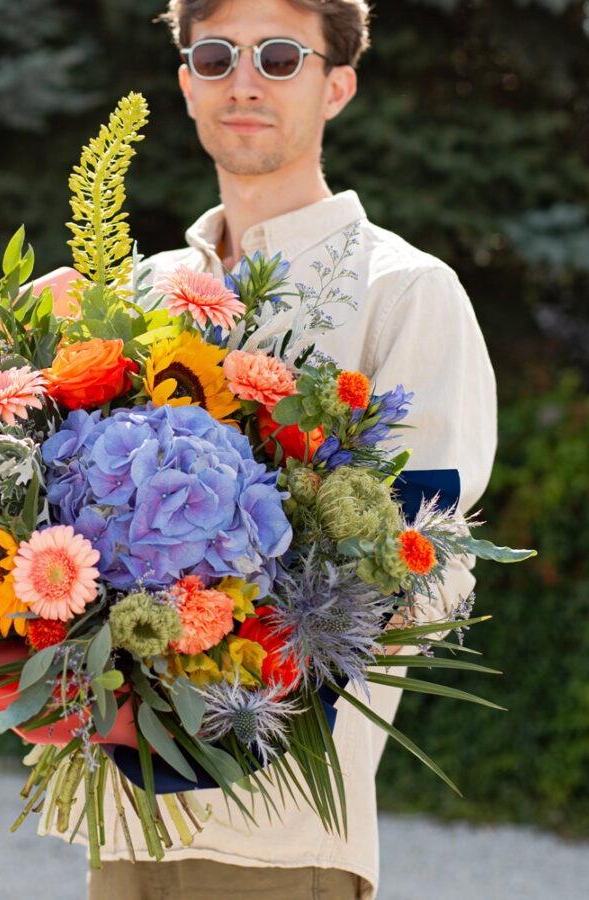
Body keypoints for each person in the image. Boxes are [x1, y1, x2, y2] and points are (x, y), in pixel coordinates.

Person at [80, 1, 497, 897]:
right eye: (216, 56)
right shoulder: (138, 292)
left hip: (280, 832)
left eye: (279, 56)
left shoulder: (404, 292)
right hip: (122, 819)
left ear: (337, 86)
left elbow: (428, 567)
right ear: (186, 82)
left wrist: (238, 641)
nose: (244, 82)